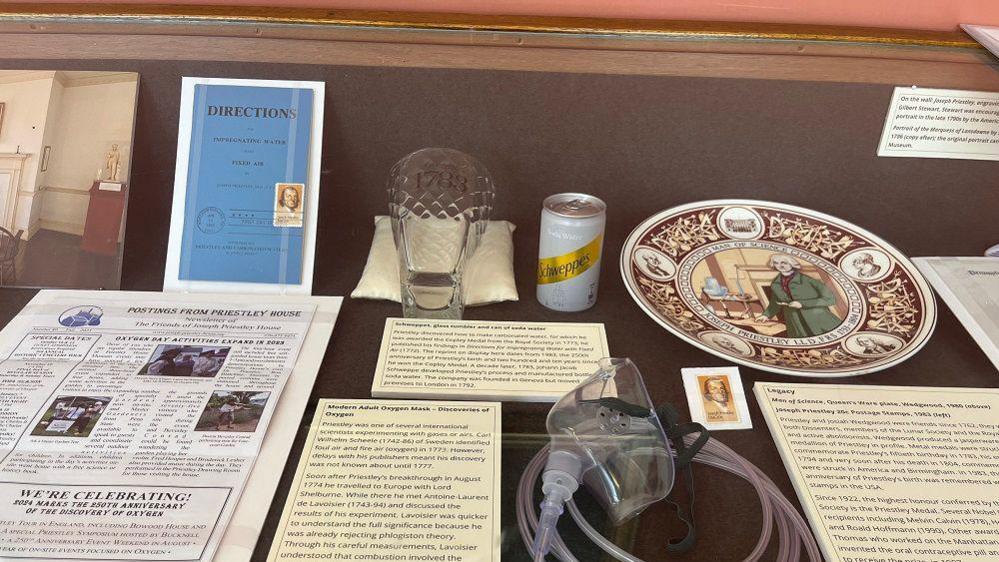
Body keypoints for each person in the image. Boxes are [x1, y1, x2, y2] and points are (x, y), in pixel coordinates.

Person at [754, 254, 842, 338]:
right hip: (795, 322)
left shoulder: (808, 280)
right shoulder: (775, 284)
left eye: (784, 263)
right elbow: (775, 302)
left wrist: (802, 304)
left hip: (818, 319)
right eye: (776, 263)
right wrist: (766, 315)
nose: (780, 266)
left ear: (792, 264)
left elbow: (830, 299)